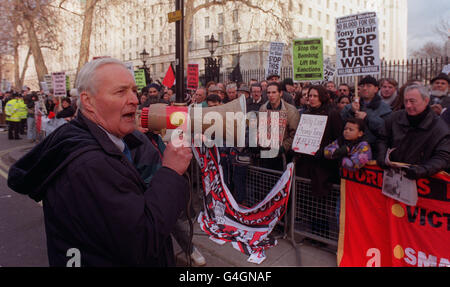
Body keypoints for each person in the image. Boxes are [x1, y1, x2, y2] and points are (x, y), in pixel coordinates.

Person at [7, 58, 193, 267]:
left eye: (133, 90)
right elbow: (142, 241)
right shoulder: (90, 164)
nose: (134, 99)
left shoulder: (104, 143)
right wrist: (170, 172)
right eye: (120, 92)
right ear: (87, 101)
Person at [377, 84, 450, 179]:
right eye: (406, 101)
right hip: (392, 175)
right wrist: (381, 155)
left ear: (426, 101)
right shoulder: (394, 118)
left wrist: (423, 170)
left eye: (412, 101)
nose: (408, 105)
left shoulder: (439, 128)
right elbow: (382, 138)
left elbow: (443, 157)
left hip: (422, 180)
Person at [295, 85, 344, 197]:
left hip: (323, 165)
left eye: (315, 96)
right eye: (310, 96)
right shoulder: (306, 113)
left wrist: (324, 151)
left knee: (320, 198)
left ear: (322, 97)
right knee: (304, 196)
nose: (312, 98)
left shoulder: (332, 114)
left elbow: (339, 138)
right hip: (307, 163)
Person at [341, 75, 391, 157]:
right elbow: (341, 123)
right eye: (362, 86)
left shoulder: (384, 108)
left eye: (369, 86)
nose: (364, 88)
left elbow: (385, 129)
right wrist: (351, 112)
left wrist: (367, 118)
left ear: (376, 89)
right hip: (351, 151)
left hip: (374, 152)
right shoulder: (350, 107)